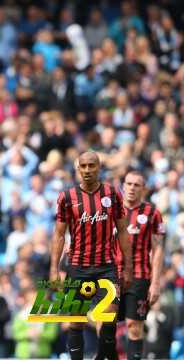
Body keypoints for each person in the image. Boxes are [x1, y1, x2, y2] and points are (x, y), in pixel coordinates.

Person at [50, 151, 133, 360]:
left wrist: (128, 267)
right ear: (78, 169)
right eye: (83, 166)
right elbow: (59, 235)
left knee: (108, 321)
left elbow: (123, 230)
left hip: (106, 267)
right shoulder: (66, 197)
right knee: (75, 323)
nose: (87, 170)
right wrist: (54, 269)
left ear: (99, 167)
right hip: (77, 268)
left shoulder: (112, 194)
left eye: (91, 166)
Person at [113, 171, 165, 360]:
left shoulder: (152, 213)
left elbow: (158, 249)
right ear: (123, 186)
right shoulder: (110, 211)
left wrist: (156, 282)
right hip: (110, 277)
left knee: (134, 327)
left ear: (143, 189)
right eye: (129, 183)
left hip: (139, 276)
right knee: (105, 325)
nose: (132, 188)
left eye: (137, 185)